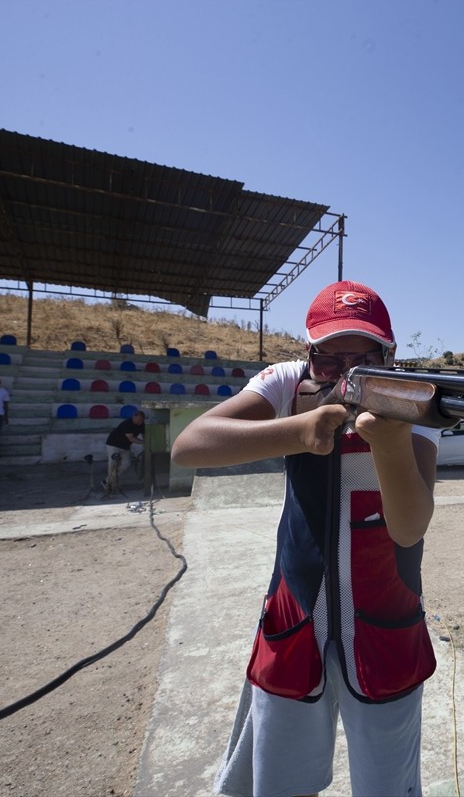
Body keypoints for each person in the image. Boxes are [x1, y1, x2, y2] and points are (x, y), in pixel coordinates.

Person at [171, 280, 440, 797]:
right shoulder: (288, 381)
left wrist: (389, 443)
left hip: (387, 627)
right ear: (309, 354)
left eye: (362, 358)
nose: (345, 373)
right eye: (329, 360)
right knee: (276, 784)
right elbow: (190, 446)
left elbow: (409, 528)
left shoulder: (414, 400)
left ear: (390, 354)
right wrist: (298, 431)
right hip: (294, 620)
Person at [103, 410, 145, 491]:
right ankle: (112, 484)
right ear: (134, 417)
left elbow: (144, 434)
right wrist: (144, 442)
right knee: (112, 464)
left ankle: (107, 481)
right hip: (113, 444)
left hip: (125, 446)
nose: (140, 422)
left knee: (126, 464)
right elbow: (131, 438)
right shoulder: (127, 424)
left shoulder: (141, 424)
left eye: (142, 420)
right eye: (139, 420)